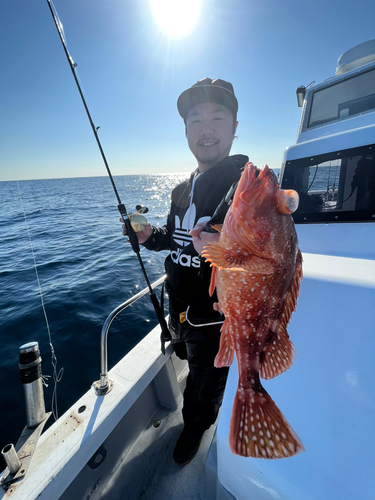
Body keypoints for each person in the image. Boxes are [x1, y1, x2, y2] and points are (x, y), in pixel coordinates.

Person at [121, 78, 249, 465]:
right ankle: (195, 399)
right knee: (185, 358)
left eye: (217, 117)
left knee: (204, 383)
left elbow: (255, 253)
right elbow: (173, 238)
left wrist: (224, 249)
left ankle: (196, 427)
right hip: (178, 307)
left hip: (215, 319)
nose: (206, 129)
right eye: (195, 120)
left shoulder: (244, 186)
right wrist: (147, 236)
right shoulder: (180, 189)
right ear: (185, 131)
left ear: (234, 128)